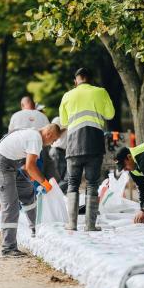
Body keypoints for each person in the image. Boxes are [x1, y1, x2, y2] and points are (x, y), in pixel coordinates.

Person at [0, 124, 63, 258]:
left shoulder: (32, 133)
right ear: (49, 134)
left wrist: (34, 179)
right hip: (1, 166)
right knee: (10, 205)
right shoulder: (35, 138)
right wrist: (44, 183)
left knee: (28, 193)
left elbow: (26, 165)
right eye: (53, 140)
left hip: (11, 165)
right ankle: (8, 248)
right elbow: (30, 166)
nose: (52, 144)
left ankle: (36, 229)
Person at [60, 67, 115, 231]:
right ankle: (90, 225)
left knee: (72, 183)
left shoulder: (67, 95)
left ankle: (72, 224)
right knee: (92, 184)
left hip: (73, 146)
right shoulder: (101, 92)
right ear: (90, 79)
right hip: (94, 144)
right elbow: (110, 114)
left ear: (76, 81)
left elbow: (63, 122)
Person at [49, 117, 68, 193]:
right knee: (61, 178)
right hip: (57, 150)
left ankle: (59, 195)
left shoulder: (70, 121)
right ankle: (53, 194)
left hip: (63, 151)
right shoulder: (58, 119)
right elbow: (53, 132)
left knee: (64, 177)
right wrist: (66, 127)